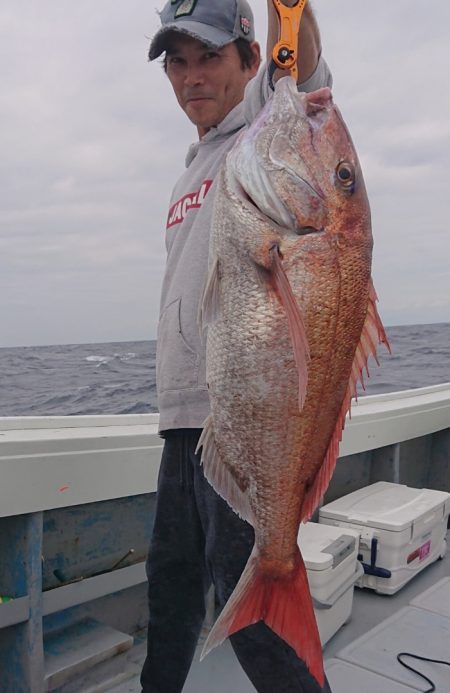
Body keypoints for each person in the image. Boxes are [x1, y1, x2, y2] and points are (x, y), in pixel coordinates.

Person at [141, 2, 333, 691]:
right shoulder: (189, 170)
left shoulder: (260, 130)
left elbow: (304, 72)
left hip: (241, 411)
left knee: (257, 620)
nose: (192, 77)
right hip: (180, 419)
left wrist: (296, 17)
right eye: (178, 63)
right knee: (169, 592)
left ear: (250, 63)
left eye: (210, 58)